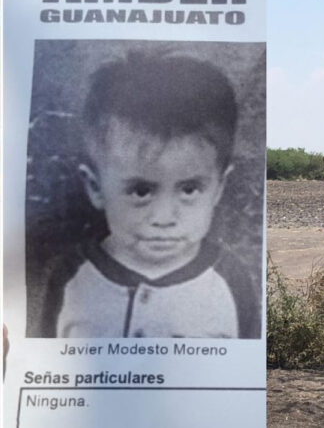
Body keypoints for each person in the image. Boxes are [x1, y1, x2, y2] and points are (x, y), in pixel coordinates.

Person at [40, 52, 259, 338]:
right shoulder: (71, 276)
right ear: (95, 187)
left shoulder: (230, 280)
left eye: (189, 189)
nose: (164, 218)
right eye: (141, 191)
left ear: (219, 186)